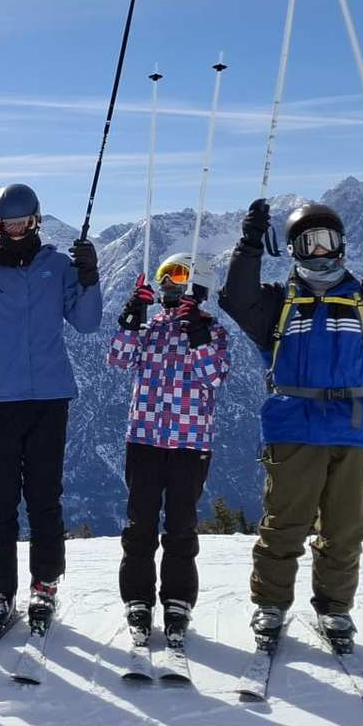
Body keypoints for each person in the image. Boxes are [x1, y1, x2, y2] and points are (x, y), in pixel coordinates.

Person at [218, 191, 363, 653]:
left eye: (327, 239)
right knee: (285, 524)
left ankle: (335, 607)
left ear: (341, 244)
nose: (319, 249)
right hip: (292, 424)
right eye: (307, 242)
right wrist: (249, 244)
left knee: (344, 527)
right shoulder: (278, 302)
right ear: (292, 251)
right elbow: (236, 299)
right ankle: (271, 604)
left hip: (352, 426)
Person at [0, 184, 103, 637]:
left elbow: (87, 323)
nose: (17, 231)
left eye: (24, 222)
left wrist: (90, 278)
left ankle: (44, 585)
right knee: (1, 500)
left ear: (37, 220)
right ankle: (0, 591)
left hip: (50, 398)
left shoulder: (60, 266)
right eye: (8, 224)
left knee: (45, 497)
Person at [106, 253, 230, 644]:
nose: (166, 283)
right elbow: (118, 359)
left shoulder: (213, 330)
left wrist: (197, 334)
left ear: (198, 282)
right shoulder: (151, 326)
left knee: (181, 526)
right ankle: (137, 599)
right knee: (139, 524)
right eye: (163, 276)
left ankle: (178, 601)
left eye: (176, 275)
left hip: (190, 443)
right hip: (144, 438)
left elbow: (215, 376)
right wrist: (131, 319)